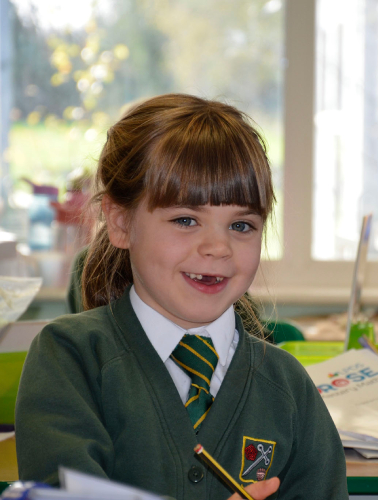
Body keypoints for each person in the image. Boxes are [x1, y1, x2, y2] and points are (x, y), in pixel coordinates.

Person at [15, 94, 348, 500]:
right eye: (186, 220)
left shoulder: (288, 387)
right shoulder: (71, 359)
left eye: (241, 225)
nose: (218, 247)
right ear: (120, 222)